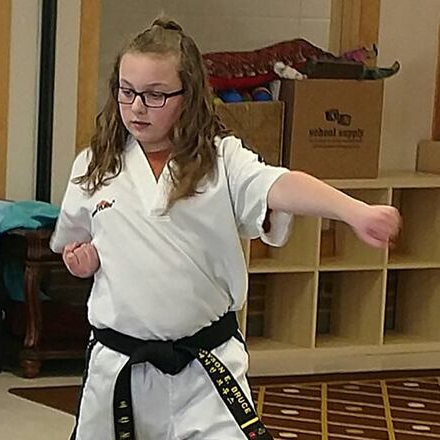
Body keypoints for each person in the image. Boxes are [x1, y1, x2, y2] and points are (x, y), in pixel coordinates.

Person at [51, 17, 401, 440]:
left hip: (205, 368)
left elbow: (280, 185)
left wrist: (354, 212)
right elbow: (75, 248)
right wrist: (81, 263)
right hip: (119, 366)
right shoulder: (94, 166)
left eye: (156, 95)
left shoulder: (221, 160)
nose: (138, 106)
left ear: (189, 95)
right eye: (128, 92)